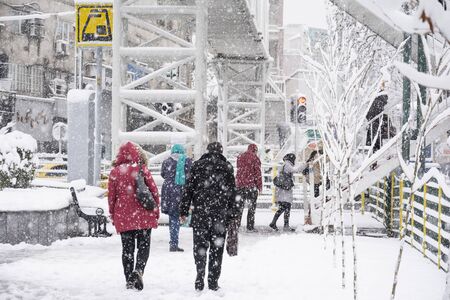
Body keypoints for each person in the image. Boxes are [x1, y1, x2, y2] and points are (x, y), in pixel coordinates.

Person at [180, 142, 238, 292]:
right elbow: (233, 193)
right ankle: (213, 281)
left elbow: (188, 190)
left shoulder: (197, 166)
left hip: (201, 214)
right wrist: (233, 215)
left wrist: (184, 210)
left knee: (200, 246)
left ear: (207, 151)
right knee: (216, 248)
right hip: (220, 215)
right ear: (221, 152)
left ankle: (200, 274)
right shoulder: (227, 167)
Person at [108, 142, 160, 291]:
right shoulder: (142, 169)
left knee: (127, 249)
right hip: (143, 215)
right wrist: (155, 210)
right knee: (144, 246)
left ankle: (128, 279)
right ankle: (139, 271)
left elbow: (112, 197)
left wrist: (113, 213)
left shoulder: (115, 173)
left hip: (123, 215)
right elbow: (153, 191)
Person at [161, 144, 192, 252]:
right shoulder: (188, 161)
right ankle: (174, 242)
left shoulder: (167, 162)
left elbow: (163, 174)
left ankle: (173, 241)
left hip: (169, 191)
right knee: (178, 215)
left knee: (173, 216)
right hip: (182, 190)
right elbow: (190, 175)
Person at [269, 153, 308, 232]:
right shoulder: (287, 165)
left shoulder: (284, 164)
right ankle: (284, 225)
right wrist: (304, 165)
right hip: (285, 190)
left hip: (282, 189)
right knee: (286, 207)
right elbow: (295, 170)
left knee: (283, 207)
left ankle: (276, 223)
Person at [235, 144, 262, 232]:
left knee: (239, 207)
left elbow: (239, 171)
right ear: (255, 150)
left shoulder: (240, 157)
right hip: (251, 186)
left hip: (240, 186)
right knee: (251, 207)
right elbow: (257, 174)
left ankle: (236, 225)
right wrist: (259, 186)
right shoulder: (255, 158)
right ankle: (250, 226)